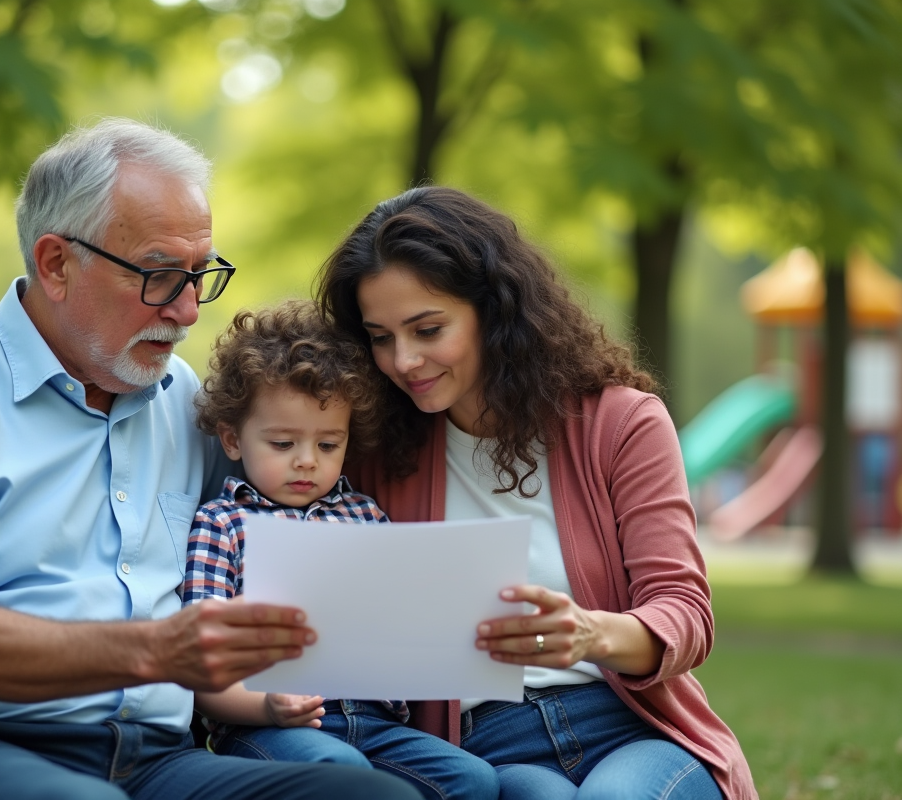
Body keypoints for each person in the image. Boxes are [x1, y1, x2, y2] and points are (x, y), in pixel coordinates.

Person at [0, 120, 421, 800]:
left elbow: (294, 497)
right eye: (163, 275)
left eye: (201, 275)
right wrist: (159, 650)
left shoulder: (181, 399)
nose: (190, 310)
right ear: (56, 264)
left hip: (153, 760)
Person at [316, 186, 757, 799]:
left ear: (493, 310)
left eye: (427, 328)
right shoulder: (369, 451)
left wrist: (591, 634)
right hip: (482, 747)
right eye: (380, 337)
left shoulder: (620, 424)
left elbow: (685, 611)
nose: (404, 360)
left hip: (628, 727)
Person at [181, 300, 499, 799]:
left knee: (473, 781)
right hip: (270, 725)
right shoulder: (223, 525)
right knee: (339, 769)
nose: (307, 462)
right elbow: (201, 664)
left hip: (375, 722)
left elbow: (408, 626)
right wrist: (265, 707)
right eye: (283, 444)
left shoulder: (365, 516)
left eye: (328, 445)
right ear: (232, 439)